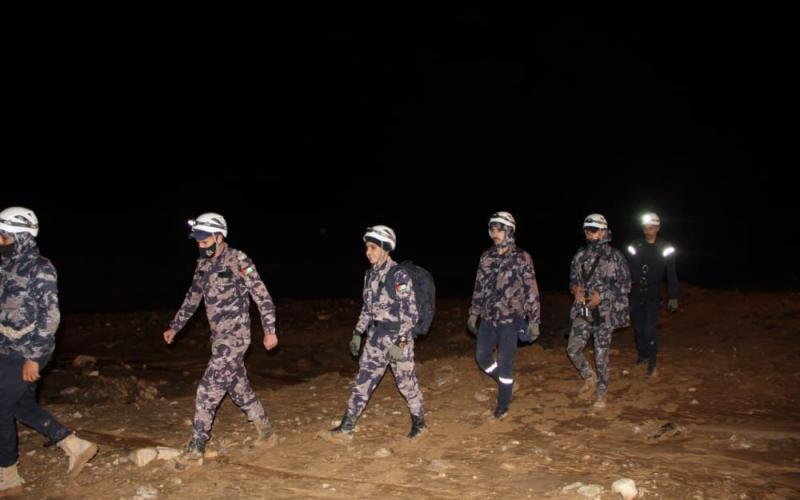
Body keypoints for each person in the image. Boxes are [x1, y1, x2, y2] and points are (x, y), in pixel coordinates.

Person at [162, 212, 278, 466]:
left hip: (236, 337)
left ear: (219, 237)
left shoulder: (238, 259)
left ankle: (196, 448)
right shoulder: (202, 264)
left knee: (207, 389)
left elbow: (262, 296)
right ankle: (267, 432)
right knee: (238, 388)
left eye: (204, 241)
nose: (200, 246)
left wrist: (269, 330)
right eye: (198, 242)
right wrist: (175, 326)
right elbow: (192, 297)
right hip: (218, 338)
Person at [0, 207, 98, 496]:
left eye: (4, 237)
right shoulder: (5, 266)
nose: (0, 242)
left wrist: (33, 357)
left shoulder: (39, 268)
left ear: (21, 237)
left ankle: (8, 476)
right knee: (21, 405)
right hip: (7, 348)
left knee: (1, 407)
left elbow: (50, 316)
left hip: (28, 350)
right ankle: (74, 445)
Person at [326, 225, 426, 440]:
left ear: (385, 248)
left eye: (372, 247)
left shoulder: (398, 275)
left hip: (397, 338)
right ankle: (347, 425)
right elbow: (367, 309)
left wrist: (400, 343)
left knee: (406, 384)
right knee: (363, 381)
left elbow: (411, 314)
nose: (367, 252)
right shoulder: (370, 275)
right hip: (375, 338)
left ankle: (419, 424)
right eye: (366, 248)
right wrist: (358, 332)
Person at [467, 211, 541, 419]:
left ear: (509, 230)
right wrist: (474, 313)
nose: (495, 233)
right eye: (492, 229)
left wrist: (534, 320)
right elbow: (479, 286)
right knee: (482, 357)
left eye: (499, 229)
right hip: (488, 317)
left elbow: (531, 289)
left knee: (505, 361)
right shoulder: (486, 256)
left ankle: (502, 407)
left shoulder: (522, 257)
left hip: (511, 318)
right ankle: (506, 382)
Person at [566, 213, 631, 409]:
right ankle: (589, 376)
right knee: (573, 349)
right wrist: (575, 290)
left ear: (603, 231)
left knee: (601, 355)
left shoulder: (615, 256)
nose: (589, 234)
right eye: (587, 230)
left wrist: (601, 296)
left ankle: (602, 393)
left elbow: (626, 285)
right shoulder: (580, 255)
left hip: (605, 313)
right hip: (583, 310)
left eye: (593, 230)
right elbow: (572, 281)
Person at [626, 212, 678, 378]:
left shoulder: (666, 247)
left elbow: (671, 273)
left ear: (658, 228)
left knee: (649, 328)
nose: (648, 230)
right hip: (636, 291)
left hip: (653, 292)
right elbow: (626, 270)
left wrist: (673, 297)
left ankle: (652, 361)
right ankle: (642, 355)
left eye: (651, 227)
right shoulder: (635, 245)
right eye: (646, 227)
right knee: (638, 328)